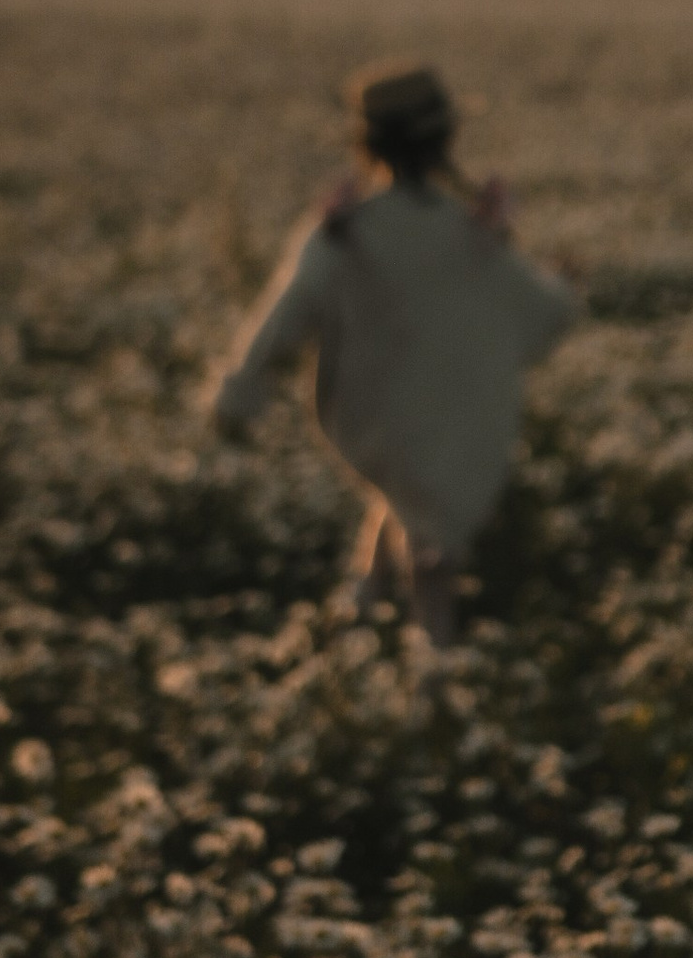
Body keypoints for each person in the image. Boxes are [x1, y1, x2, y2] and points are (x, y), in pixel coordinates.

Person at [209, 62, 576, 644]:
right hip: (451, 420)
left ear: (365, 145)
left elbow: (283, 316)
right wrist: (518, 251)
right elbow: (547, 311)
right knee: (432, 542)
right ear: (447, 141)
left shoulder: (342, 232)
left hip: (369, 420)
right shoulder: (469, 230)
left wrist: (237, 396)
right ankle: (434, 670)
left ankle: (361, 607)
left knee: (399, 490)